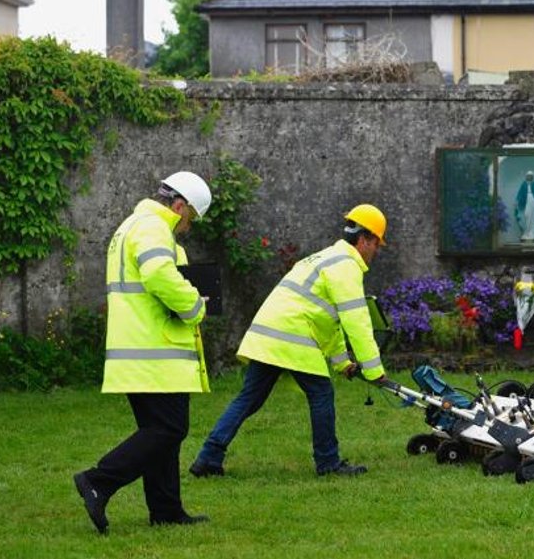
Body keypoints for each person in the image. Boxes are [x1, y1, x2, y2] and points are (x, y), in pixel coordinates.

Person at [189, 204, 388, 478]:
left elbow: (328, 322)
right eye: (377, 244)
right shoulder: (346, 266)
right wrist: (375, 370)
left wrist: (343, 363)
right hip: (293, 336)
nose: (376, 252)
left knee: (249, 399)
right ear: (365, 239)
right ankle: (328, 463)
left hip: (268, 334)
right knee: (321, 394)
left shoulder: (322, 258)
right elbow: (356, 322)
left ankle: (208, 459)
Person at [73, 171, 213, 534]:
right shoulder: (152, 228)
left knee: (159, 431)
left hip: (139, 350)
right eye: (191, 218)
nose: (188, 227)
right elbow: (158, 275)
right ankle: (97, 481)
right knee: (169, 430)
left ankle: (166, 510)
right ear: (179, 206)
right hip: (156, 350)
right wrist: (196, 306)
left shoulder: (131, 226)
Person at [515, 170, 534, 241]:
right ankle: (526, 231)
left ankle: (532, 232)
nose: (529, 177)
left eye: (530, 176)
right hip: (525, 200)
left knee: (533, 216)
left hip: (533, 200)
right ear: (526, 177)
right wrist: (517, 201)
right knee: (526, 215)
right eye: (528, 176)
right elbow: (520, 193)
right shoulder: (524, 184)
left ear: (532, 177)